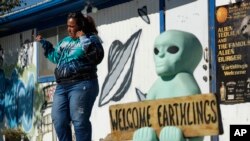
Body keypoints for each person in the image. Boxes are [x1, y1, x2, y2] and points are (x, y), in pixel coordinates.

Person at [36, 12, 104, 141]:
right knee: (59, 120)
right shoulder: (65, 42)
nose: (69, 29)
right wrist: (45, 44)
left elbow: (97, 56)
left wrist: (83, 39)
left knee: (79, 121)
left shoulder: (91, 38)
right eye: (68, 25)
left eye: (72, 26)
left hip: (82, 84)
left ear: (80, 26)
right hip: (62, 86)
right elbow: (56, 57)